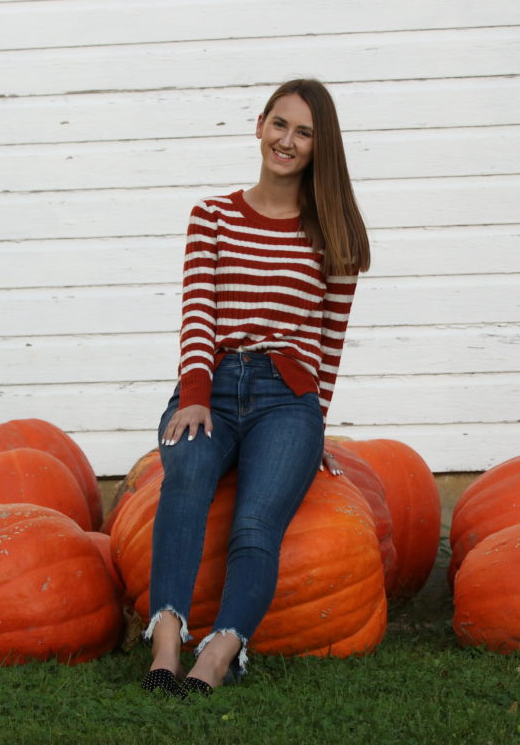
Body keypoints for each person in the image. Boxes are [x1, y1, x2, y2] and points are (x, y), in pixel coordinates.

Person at [139, 78, 371, 698]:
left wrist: (312, 426)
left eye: (303, 133)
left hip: (285, 401)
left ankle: (221, 648)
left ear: (321, 148)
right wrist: (192, 393)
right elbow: (198, 314)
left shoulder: (334, 232)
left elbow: (328, 343)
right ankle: (166, 636)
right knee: (186, 478)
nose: (287, 142)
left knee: (255, 523)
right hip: (210, 386)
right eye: (280, 125)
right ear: (259, 125)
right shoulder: (211, 215)